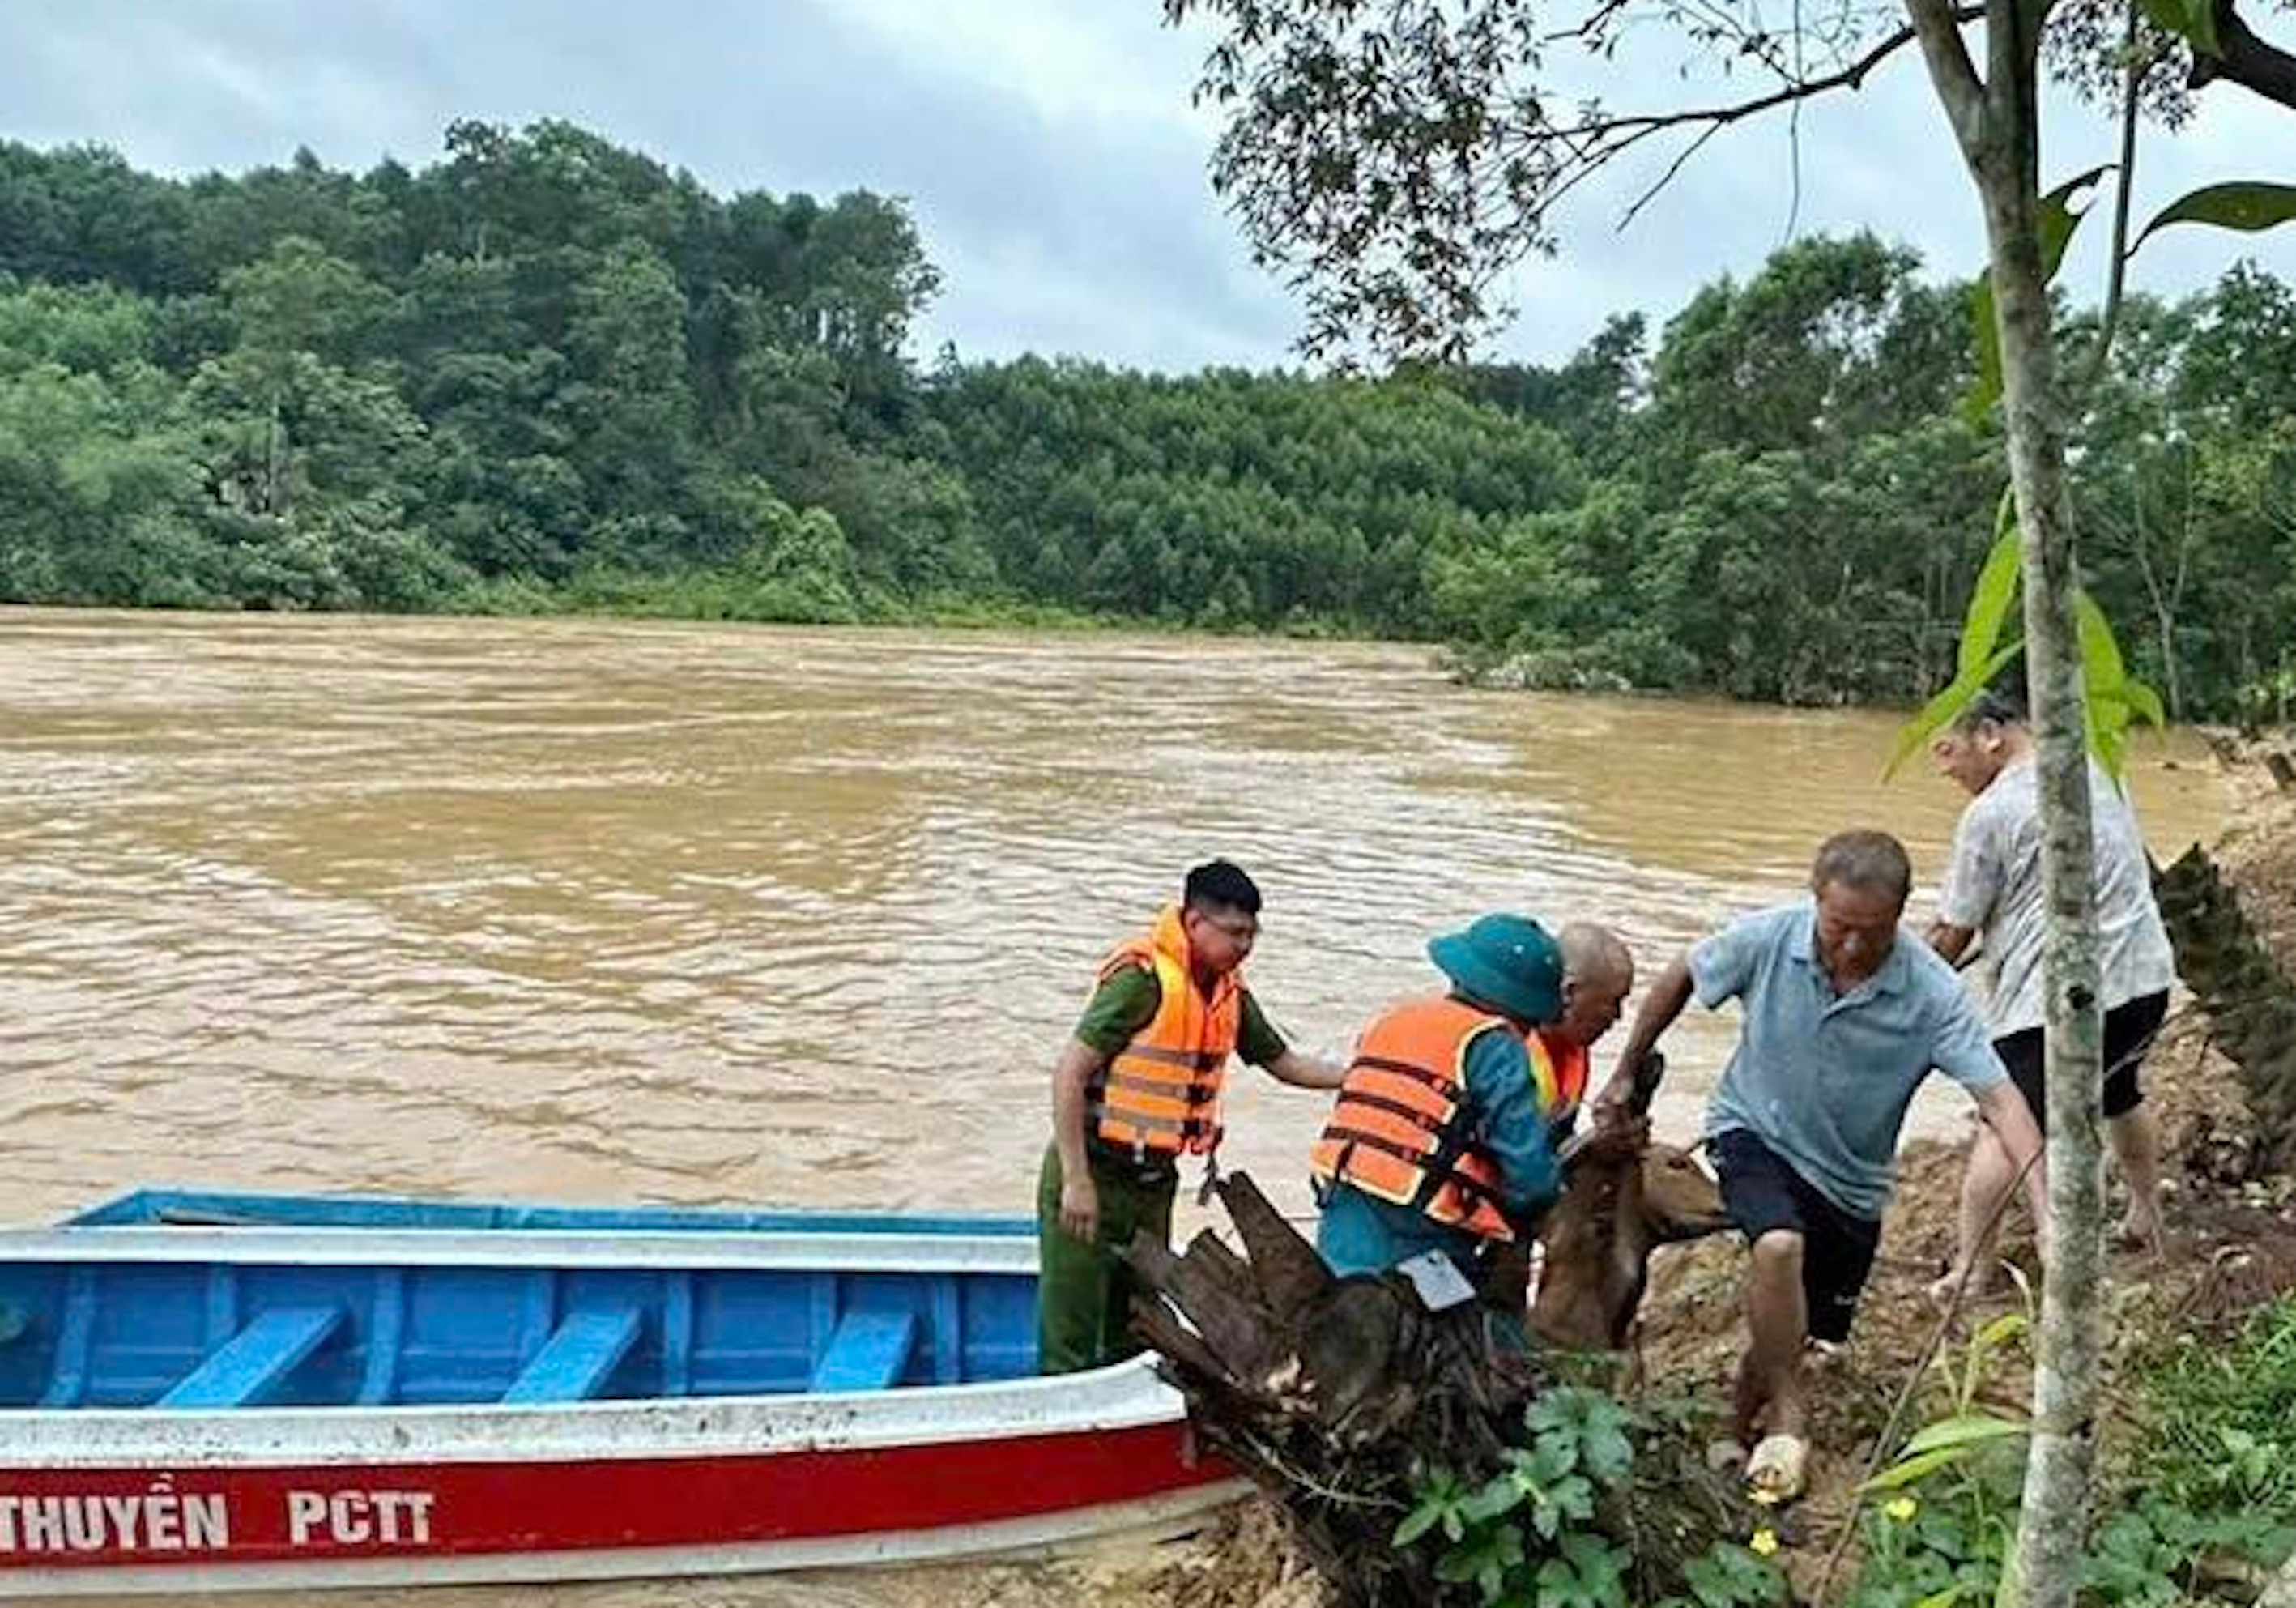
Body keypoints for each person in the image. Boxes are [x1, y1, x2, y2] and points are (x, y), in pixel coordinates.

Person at [1591, 830, 2047, 1503]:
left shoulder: (1930, 992)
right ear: (1815, 902)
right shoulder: (1770, 937)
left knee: (1795, 1321)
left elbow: (2002, 1102)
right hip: (1754, 1130)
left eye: (1875, 931)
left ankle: (1731, 1425)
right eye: (1838, 928)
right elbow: (1684, 970)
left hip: (1853, 1182)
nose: (1854, 947)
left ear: (1900, 917)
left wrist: (2045, 1209)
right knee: (1776, 1245)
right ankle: (1790, 1418)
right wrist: (1627, 1068)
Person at [1037, 859, 1344, 1375]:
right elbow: (1069, 1073)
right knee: (1070, 1333)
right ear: (1195, 922)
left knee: (1139, 1322)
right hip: (1094, 1174)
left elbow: (1284, 1063)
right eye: (1235, 933)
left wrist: (1357, 1076)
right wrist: (1076, 1180)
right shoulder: (1141, 982)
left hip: (1153, 1183)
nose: (1245, 946)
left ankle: (1123, 1433)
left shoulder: (1229, 994)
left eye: (1253, 935)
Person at [1926, 690, 2178, 1291]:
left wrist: (1896, 982)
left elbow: (1952, 930)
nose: (1944, 768)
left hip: (2056, 1004)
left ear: (1990, 734)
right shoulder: (2094, 768)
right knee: (2118, 1091)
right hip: (2142, 978)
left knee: (2002, 1120)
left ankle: (1971, 1267)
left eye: (1946, 749)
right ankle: (2145, 1212)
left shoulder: (1988, 815)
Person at [1310, 915, 1642, 1292]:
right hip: (1421, 1242)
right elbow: (1531, 1182)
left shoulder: (1393, 1020)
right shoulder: (1498, 1049)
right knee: (1482, 1332)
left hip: (1340, 1219)